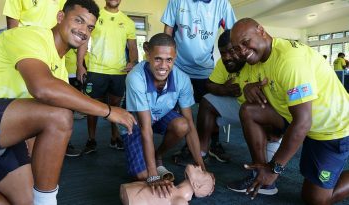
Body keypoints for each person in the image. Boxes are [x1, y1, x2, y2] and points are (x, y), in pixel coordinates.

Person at [0, 0, 136, 204]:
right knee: (59, 115)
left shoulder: (58, 70)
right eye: (78, 20)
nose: (83, 31)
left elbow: (38, 125)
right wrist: (108, 110)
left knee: (25, 201)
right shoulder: (30, 36)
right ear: (60, 17)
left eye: (89, 27)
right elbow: (42, 88)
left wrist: (29, 164)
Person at [229, 18, 349, 204]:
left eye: (245, 42)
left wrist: (275, 168)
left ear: (261, 31)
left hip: (332, 129)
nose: (242, 52)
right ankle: (260, 173)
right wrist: (247, 88)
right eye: (237, 48)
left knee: (315, 200)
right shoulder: (256, 60)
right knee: (249, 110)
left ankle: (268, 172)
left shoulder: (290, 60)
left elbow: (303, 122)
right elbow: (254, 94)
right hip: (298, 120)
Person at [121, 33, 206, 197]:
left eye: (169, 60)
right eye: (158, 59)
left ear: (175, 57)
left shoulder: (182, 79)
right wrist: (153, 174)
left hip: (159, 117)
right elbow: (146, 128)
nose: (163, 66)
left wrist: (201, 167)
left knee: (183, 125)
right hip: (135, 121)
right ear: (148, 54)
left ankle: (158, 155)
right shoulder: (135, 78)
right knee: (142, 176)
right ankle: (151, 164)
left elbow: (190, 124)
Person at [3, 0, 88, 157]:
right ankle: (24, 160)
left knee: (60, 111)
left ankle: (42, 161)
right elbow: (11, 30)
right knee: (30, 111)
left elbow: (82, 29)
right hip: (29, 56)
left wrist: (79, 64)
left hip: (56, 60)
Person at [78, 0, 138, 154]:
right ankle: (91, 140)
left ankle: (115, 137)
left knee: (115, 106)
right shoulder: (96, 16)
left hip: (118, 72)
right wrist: (80, 65)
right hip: (96, 70)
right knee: (92, 107)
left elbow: (132, 46)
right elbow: (84, 40)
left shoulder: (128, 22)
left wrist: (133, 62)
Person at [161, 0, 237, 102]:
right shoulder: (176, 1)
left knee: (205, 107)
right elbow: (167, 35)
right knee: (176, 107)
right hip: (178, 68)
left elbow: (232, 35)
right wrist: (167, 66)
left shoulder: (222, 4)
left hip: (205, 70)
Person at [119, 164, 214, 205]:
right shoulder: (172, 185)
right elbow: (150, 180)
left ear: (197, 185)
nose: (200, 166)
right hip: (131, 192)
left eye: (202, 172)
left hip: (133, 198)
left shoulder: (181, 201)